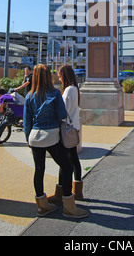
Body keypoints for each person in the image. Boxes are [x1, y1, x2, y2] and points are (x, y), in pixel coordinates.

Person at [23, 64, 89, 219]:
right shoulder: (54, 93)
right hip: (51, 135)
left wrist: (28, 139)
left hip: (34, 136)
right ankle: (69, 206)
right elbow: (61, 114)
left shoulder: (29, 96)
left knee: (39, 170)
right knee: (67, 167)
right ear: (48, 76)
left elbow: (26, 122)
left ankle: (42, 205)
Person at [57, 64, 84, 200]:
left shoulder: (68, 91)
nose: (59, 78)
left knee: (65, 161)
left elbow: (64, 112)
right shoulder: (75, 89)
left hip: (67, 129)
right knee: (73, 159)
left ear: (64, 75)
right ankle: (78, 190)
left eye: (60, 76)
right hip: (74, 128)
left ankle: (61, 190)